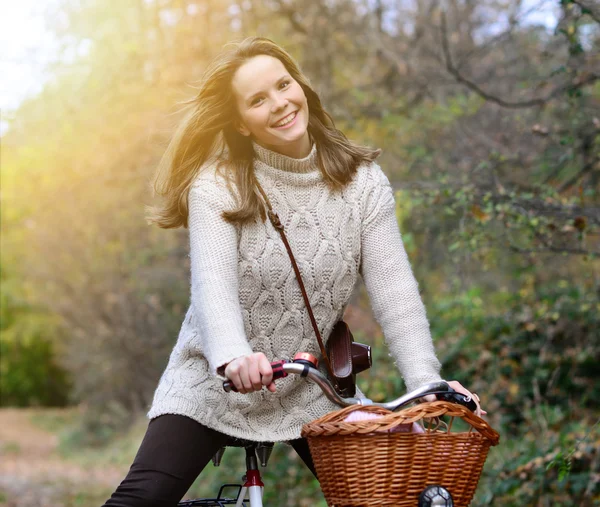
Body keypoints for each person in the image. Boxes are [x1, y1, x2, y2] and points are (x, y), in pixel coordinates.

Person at [102, 36, 484, 507]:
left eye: (284, 85)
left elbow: (396, 293)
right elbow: (211, 288)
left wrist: (426, 385)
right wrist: (232, 357)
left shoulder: (363, 184)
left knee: (389, 498)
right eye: (258, 100)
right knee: (141, 500)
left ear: (300, 85)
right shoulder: (217, 185)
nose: (280, 103)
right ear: (241, 122)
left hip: (309, 386)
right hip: (213, 384)